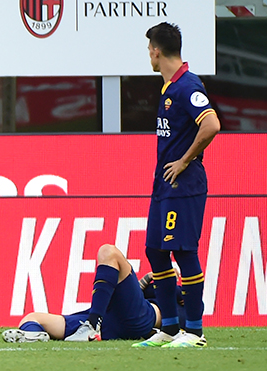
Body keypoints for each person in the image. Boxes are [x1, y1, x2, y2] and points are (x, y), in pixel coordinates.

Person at [132, 22, 220, 348]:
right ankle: (169, 327)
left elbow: (211, 124)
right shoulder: (169, 87)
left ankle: (194, 331)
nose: (149, 56)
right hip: (164, 184)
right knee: (155, 250)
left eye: (149, 50)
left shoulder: (187, 86)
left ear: (156, 50)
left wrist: (185, 160)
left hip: (184, 185)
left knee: (183, 251)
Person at [2, 244, 186, 343]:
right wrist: (147, 279)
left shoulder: (179, 296)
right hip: (108, 320)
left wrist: (164, 282)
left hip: (140, 318)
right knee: (32, 318)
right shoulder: (151, 289)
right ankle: (35, 336)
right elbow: (129, 295)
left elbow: (178, 313)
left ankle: (91, 325)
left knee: (108, 252)